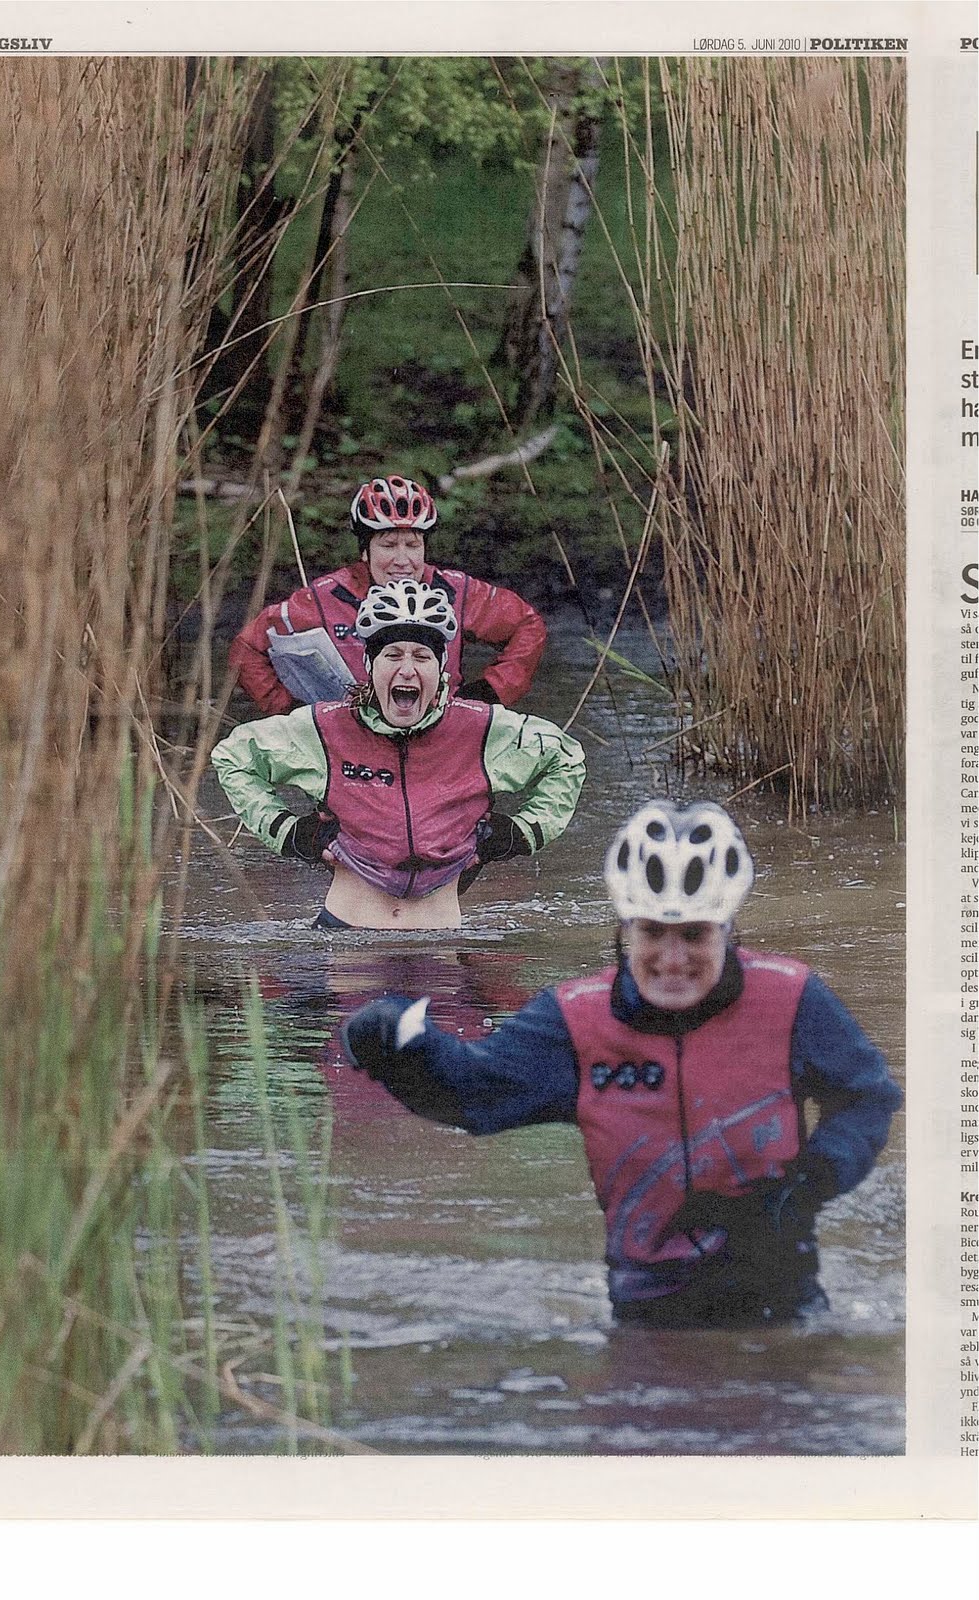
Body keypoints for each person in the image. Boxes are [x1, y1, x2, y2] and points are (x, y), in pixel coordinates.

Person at [341, 800, 903, 1327]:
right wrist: (397, 1043)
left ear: (729, 931)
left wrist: (809, 1182)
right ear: (623, 930)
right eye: (652, 932)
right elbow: (475, 1094)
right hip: (645, 1303)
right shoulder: (573, 1020)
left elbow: (867, 1096)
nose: (673, 958)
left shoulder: (793, 999)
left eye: (695, 934)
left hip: (783, 1301)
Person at [212, 579, 585, 931]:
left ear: (441, 669)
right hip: (343, 938)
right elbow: (233, 757)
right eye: (392, 655)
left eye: (422, 656)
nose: (407, 669)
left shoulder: (482, 728)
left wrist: (521, 834)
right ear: (370, 666)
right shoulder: (325, 727)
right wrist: (289, 832)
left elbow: (566, 759)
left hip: (443, 943)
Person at [228, 473, 547, 713]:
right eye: (388, 545)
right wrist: (291, 711)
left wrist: (490, 692)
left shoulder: (456, 591)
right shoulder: (323, 599)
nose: (403, 560)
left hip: (441, 735)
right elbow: (247, 647)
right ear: (365, 550)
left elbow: (527, 625)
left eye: (412, 545)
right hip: (352, 741)